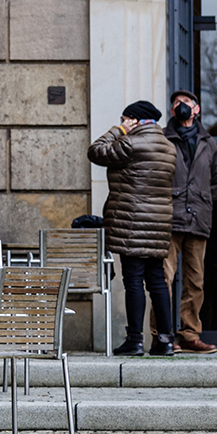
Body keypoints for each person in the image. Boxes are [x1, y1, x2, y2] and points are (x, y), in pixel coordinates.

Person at [88, 100, 177, 356]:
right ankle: (165, 340)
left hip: (132, 223)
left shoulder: (129, 143)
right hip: (159, 225)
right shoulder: (168, 147)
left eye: (125, 118)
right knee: (157, 282)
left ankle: (135, 340)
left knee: (134, 281)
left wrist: (119, 129)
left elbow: (95, 151)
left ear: (133, 119)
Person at [164, 88, 217, 354]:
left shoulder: (208, 142)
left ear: (196, 109)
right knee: (163, 278)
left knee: (195, 280)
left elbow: (215, 182)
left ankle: (189, 335)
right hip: (169, 217)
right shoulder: (164, 139)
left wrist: (203, 201)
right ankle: (163, 336)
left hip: (198, 218)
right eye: (176, 103)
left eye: (185, 102)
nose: (180, 106)